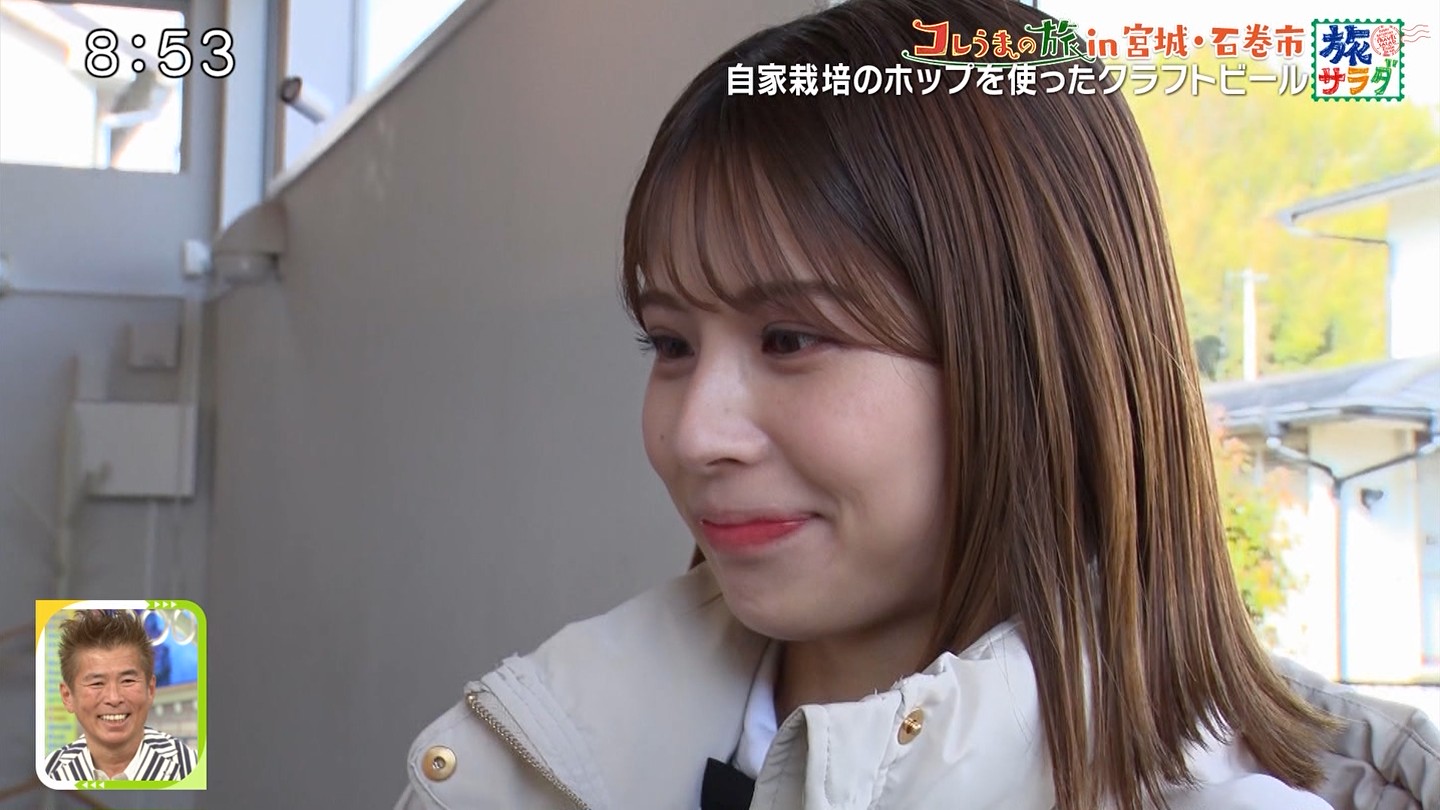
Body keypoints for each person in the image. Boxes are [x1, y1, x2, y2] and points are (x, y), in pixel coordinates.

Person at [395, 0, 1440, 807]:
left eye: (790, 339)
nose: (694, 434)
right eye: (670, 344)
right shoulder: (519, 761)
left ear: (1029, 359)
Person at [42, 610, 198, 783]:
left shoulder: (191, 769)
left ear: (150, 689)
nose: (114, 698)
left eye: (127, 680)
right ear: (67, 696)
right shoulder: (49, 775)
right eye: (97, 683)